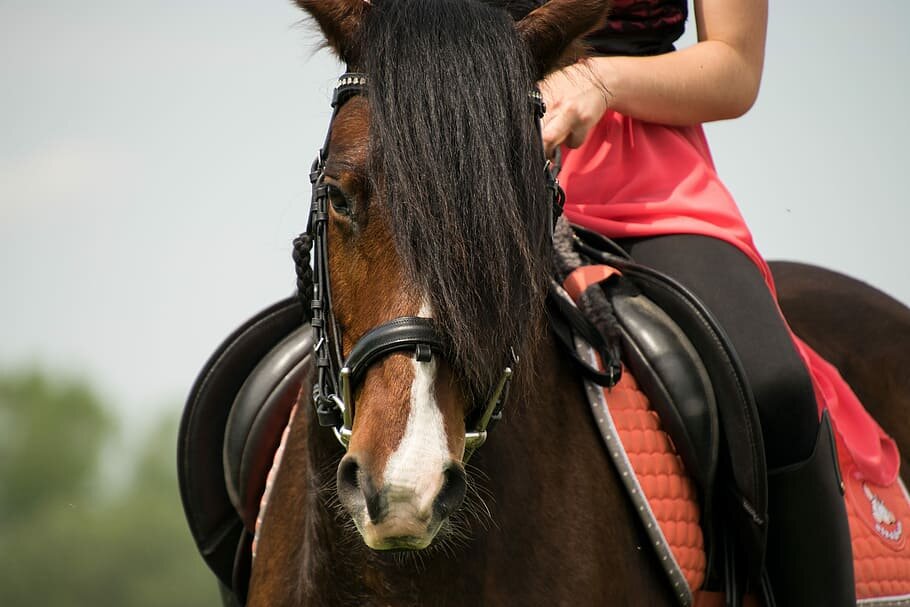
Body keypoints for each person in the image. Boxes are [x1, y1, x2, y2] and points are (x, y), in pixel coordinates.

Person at [540, 1, 865, 604]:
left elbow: (734, 66)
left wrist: (599, 80)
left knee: (772, 386)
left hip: (642, 181)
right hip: (449, 165)